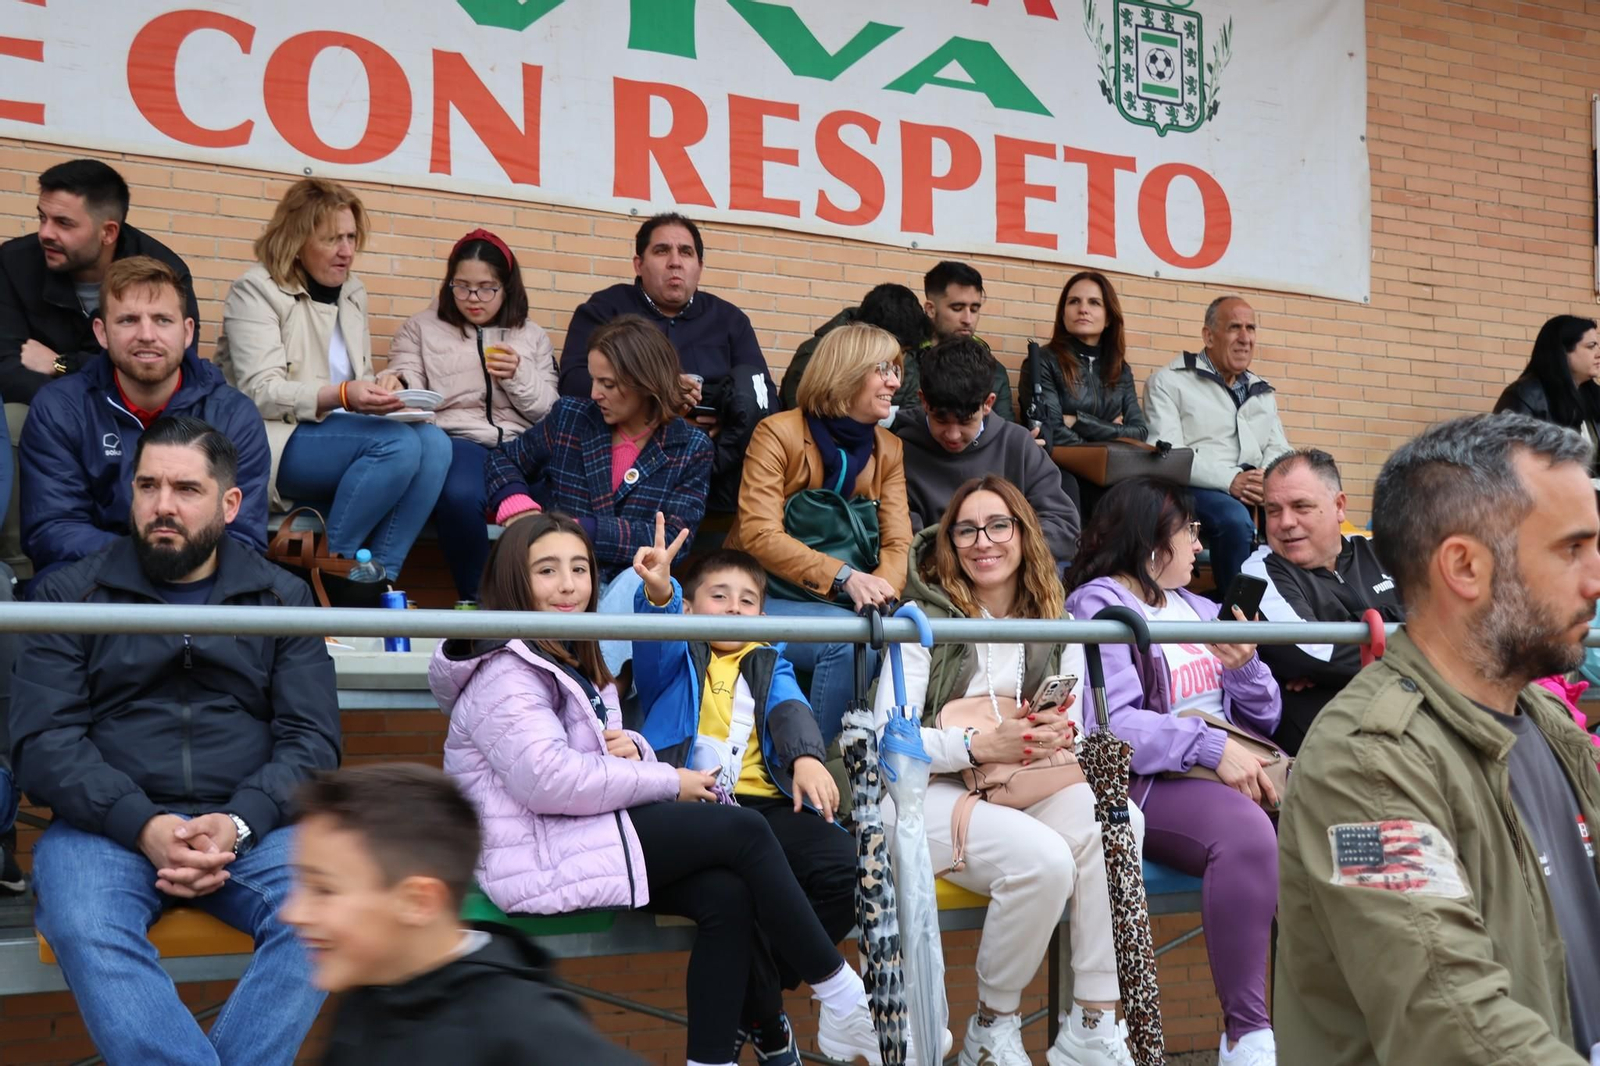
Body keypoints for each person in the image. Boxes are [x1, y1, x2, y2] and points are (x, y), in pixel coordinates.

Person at [435, 513, 889, 1066]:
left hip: (587, 825)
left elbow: (602, 752)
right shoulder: (507, 670)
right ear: (511, 580)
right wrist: (667, 775)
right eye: (547, 570)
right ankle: (840, 993)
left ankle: (727, 1047)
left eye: (580, 568)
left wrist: (806, 757)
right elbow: (549, 779)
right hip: (542, 848)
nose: (569, 584)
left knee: (730, 893)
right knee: (742, 830)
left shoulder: (570, 655)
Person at [10, 415, 341, 1065]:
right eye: (147, 485)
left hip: (253, 827)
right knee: (83, 921)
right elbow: (44, 740)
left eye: (186, 490)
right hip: (106, 828)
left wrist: (240, 822)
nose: (163, 506)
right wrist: (142, 824)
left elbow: (314, 740)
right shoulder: (70, 595)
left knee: (329, 911)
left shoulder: (282, 599)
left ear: (230, 502)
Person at [1276, 413, 1600, 1066]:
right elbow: (1451, 1024)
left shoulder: (1545, 717)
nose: (1595, 580)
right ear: (1464, 567)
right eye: (1571, 549)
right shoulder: (1366, 765)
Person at [879, 475, 1137, 1066]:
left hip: (1021, 780)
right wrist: (978, 744)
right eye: (966, 529)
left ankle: (1092, 1024)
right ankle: (991, 1028)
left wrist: (1051, 732)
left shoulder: (1057, 617)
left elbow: (1077, 723)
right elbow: (888, 744)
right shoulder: (919, 617)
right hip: (926, 792)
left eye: (999, 525)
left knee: (1118, 822)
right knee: (1042, 863)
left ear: (1023, 534)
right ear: (949, 542)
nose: (982, 541)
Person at [1066, 476, 1282, 1066]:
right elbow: (1110, 724)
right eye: (1189, 529)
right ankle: (1248, 1037)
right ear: (1149, 538)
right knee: (1244, 836)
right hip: (1153, 781)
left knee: (1337, 830)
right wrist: (1209, 748)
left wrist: (1244, 667)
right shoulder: (1101, 603)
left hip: (1234, 766)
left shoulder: (1199, 605)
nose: (1198, 543)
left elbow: (1266, 712)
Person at [629, 533, 869, 1060]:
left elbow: (789, 708)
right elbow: (655, 642)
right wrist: (659, 597)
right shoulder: (677, 656)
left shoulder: (768, 660)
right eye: (719, 596)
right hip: (691, 807)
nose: (733, 608)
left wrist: (806, 755)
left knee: (845, 870)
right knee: (733, 891)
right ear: (690, 607)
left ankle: (758, 1008)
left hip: (762, 805)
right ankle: (775, 1016)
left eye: (747, 601)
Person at [283, 763, 645, 1066]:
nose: (292, 912)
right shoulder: (366, 999)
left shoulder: (528, 1030)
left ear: (418, 902)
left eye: (324, 889)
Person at [216, 178, 451, 581]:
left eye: (351, 237)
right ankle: (329, 569)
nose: (347, 252)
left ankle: (379, 579)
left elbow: (354, 379)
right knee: (396, 446)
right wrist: (344, 394)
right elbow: (259, 392)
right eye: (332, 239)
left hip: (341, 436)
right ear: (296, 240)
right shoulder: (255, 290)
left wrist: (386, 387)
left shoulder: (352, 290)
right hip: (272, 436)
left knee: (435, 443)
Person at [20, 255, 271, 581]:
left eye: (162, 320)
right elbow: (52, 530)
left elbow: (243, 537)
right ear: (102, 332)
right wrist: (150, 561)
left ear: (187, 332)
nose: (147, 335)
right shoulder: (60, 408)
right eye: (128, 320)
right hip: (95, 580)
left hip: (200, 585)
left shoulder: (233, 415)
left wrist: (175, 571)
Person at [485, 315, 712, 671]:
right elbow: (502, 461)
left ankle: (598, 693)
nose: (594, 394)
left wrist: (578, 530)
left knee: (635, 582)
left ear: (645, 384)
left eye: (607, 383)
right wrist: (518, 504)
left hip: (626, 596)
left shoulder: (690, 446)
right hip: (559, 582)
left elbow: (668, 542)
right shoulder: (572, 417)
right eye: (593, 379)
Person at [726, 322, 912, 743]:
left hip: (843, 599)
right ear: (845, 371)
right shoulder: (777, 432)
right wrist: (846, 577)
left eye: (896, 370)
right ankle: (811, 770)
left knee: (888, 637)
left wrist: (880, 590)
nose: (894, 381)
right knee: (846, 643)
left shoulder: (890, 448)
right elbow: (758, 533)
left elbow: (899, 541)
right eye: (883, 368)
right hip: (764, 593)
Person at [556, 213, 776, 513]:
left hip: (715, 464)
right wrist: (658, 398)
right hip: (622, 453)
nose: (675, 262)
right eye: (662, 251)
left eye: (686, 252)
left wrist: (729, 419)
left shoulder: (729, 320)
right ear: (639, 264)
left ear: (699, 267)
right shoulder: (605, 309)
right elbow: (573, 382)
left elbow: (763, 395)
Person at [385, 229, 558, 602]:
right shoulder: (421, 328)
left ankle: (545, 606)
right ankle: (482, 600)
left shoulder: (532, 336)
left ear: (507, 287)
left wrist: (519, 375)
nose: (473, 298)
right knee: (460, 495)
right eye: (461, 287)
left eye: (486, 288)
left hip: (522, 443)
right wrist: (396, 382)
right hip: (460, 439)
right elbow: (407, 377)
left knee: (565, 499)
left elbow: (548, 410)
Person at [1238, 449, 1403, 754]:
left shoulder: (1386, 552)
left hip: (1410, 719)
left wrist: (1355, 636)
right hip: (1334, 745)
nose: (1285, 522)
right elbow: (1312, 653)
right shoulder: (1254, 573)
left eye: (1301, 506)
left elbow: (1452, 623)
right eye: (1273, 510)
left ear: (1339, 506)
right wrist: (1408, 635)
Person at [0, 158, 200, 404]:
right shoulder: (14, 262)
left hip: (133, 413)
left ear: (108, 232)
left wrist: (61, 364)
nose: (45, 233)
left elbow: (169, 368)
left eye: (63, 223)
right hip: (41, 406)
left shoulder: (165, 273)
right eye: (43, 218)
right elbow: (6, 367)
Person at [1144, 296, 1292, 588]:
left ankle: (1299, 610)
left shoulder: (1261, 391)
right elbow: (1168, 454)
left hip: (1255, 491)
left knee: (1309, 512)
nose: (1245, 338)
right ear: (1208, 336)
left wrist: (1268, 479)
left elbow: (1279, 448)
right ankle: (1236, 614)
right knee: (1234, 520)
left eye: (1250, 328)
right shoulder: (1169, 381)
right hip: (1195, 488)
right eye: (1234, 327)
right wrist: (1232, 480)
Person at [895, 336, 1080, 565]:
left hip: (1014, 579)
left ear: (988, 403)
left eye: (965, 422)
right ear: (923, 401)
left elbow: (1063, 526)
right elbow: (904, 540)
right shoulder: (899, 451)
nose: (953, 434)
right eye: (941, 420)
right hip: (939, 583)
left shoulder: (1018, 445)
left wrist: (1000, 551)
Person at [1020, 271, 1148, 518]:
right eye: (1074, 301)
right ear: (1063, 312)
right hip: (1061, 468)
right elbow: (1052, 432)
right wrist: (1108, 437)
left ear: (1109, 317)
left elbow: (1139, 432)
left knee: (1142, 500)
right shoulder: (1043, 361)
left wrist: (1078, 421)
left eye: (1094, 302)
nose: (1083, 309)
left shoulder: (1120, 370)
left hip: (1111, 472)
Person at [778, 282, 930, 413]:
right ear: (869, 334)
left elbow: (910, 419)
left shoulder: (907, 364)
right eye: (889, 351)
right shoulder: (817, 354)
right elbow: (803, 419)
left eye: (902, 352)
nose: (895, 361)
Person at [1494, 314, 1600, 477]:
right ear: (1563, 351)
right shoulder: (1524, 396)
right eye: (1591, 346)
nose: (1598, 353)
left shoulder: (1594, 397)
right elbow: (1507, 460)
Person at [920, 260, 1015, 421]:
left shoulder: (995, 371)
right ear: (930, 309)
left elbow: (1004, 432)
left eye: (974, 309)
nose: (968, 319)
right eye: (957, 308)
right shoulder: (908, 362)